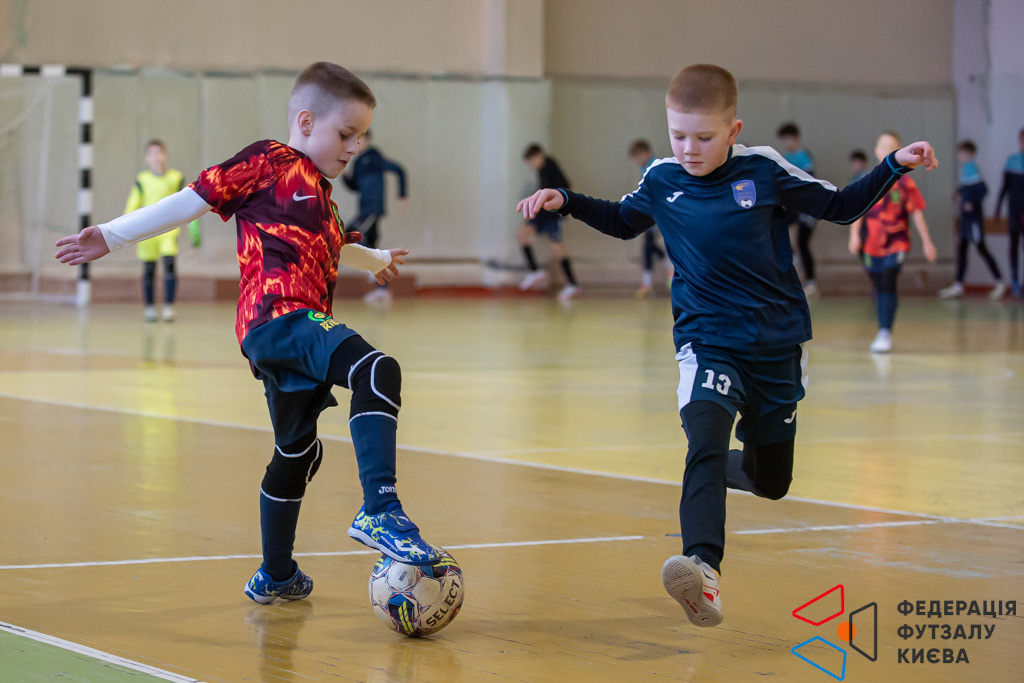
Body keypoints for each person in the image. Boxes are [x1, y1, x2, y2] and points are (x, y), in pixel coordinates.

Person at [517, 64, 939, 628]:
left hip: (777, 345)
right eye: (678, 135)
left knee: (773, 482)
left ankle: (718, 472)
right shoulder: (662, 178)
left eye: (704, 137)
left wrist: (895, 164)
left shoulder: (763, 169)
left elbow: (840, 207)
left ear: (733, 130)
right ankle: (702, 569)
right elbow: (622, 221)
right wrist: (565, 200)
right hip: (707, 340)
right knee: (705, 442)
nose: (689, 149)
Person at [55, 62, 441, 605]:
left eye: (361, 136)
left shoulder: (323, 196)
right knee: (376, 370)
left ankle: (276, 575)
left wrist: (375, 258)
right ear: (305, 122)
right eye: (346, 133)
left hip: (285, 334)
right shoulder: (268, 161)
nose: (356, 147)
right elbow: (191, 200)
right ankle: (381, 509)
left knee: (297, 453)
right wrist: (112, 236)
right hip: (279, 318)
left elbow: (336, 244)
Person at [848, 131, 937, 353]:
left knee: (888, 280)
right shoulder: (867, 180)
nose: (886, 150)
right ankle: (884, 325)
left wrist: (927, 242)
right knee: (880, 285)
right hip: (871, 244)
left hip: (897, 242)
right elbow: (856, 210)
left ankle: (884, 331)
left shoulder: (906, 182)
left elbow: (917, 213)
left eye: (892, 147)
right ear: (876, 150)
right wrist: (854, 235)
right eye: (883, 146)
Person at [126, 140, 201, 322]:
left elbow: (187, 202)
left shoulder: (175, 178)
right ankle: (150, 307)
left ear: (165, 155)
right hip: (147, 231)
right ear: (147, 158)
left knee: (169, 266)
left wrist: (193, 226)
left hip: (168, 230)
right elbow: (132, 204)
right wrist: (127, 228)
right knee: (149, 269)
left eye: (159, 153)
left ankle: (169, 306)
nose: (156, 157)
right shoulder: (142, 180)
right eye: (152, 154)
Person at [341, 129, 407, 303]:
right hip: (364, 210)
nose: (357, 144)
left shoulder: (374, 157)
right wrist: (346, 177)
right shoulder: (357, 162)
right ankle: (382, 289)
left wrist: (402, 194)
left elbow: (399, 170)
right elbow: (355, 186)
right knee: (371, 245)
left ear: (368, 140)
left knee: (351, 235)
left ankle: (372, 268)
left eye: (360, 140)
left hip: (373, 209)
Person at [939, 141, 1006, 300]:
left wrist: (971, 203)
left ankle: (1000, 282)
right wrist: (958, 194)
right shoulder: (965, 170)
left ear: (970, 154)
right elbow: (966, 187)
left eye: (963, 153)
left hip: (973, 220)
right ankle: (958, 284)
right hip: (966, 220)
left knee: (981, 248)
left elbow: (982, 189)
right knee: (962, 249)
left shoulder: (971, 168)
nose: (960, 156)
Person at [517, 144, 580, 302]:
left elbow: (565, 187)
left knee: (557, 248)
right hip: (542, 213)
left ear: (539, 156)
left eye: (532, 161)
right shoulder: (541, 170)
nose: (532, 165)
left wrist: (559, 207)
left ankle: (572, 284)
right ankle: (534, 271)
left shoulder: (551, 166)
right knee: (522, 233)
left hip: (553, 215)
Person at [777, 123, 819, 296]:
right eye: (783, 140)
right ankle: (793, 256)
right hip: (792, 206)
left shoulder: (804, 157)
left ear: (796, 138)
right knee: (774, 225)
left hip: (807, 207)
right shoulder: (783, 158)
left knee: (803, 242)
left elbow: (809, 181)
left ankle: (811, 282)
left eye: (788, 139)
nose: (786, 143)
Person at [629, 139, 672, 297]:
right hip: (652, 212)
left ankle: (667, 271)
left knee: (649, 245)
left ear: (645, 153)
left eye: (637, 156)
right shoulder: (645, 168)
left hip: (658, 212)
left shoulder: (655, 167)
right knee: (648, 245)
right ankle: (650, 280)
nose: (636, 160)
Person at [994, 127, 1024, 298]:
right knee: (1014, 245)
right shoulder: (1012, 161)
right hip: (1014, 211)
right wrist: (997, 209)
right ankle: (1015, 282)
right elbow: (1004, 187)